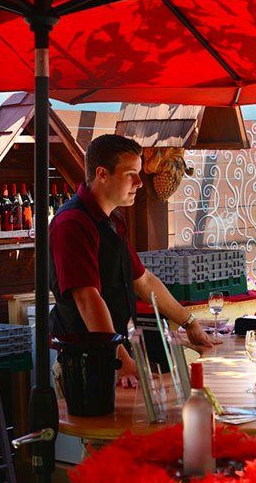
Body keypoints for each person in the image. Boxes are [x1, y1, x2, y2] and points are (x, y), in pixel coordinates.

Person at [49, 134, 218, 387]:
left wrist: (189, 322)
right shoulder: (72, 223)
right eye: (130, 174)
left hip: (111, 355)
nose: (139, 182)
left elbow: (144, 280)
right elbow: (87, 299)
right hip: (85, 363)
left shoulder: (112, 221)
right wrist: (121, 360)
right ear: (102, 174)